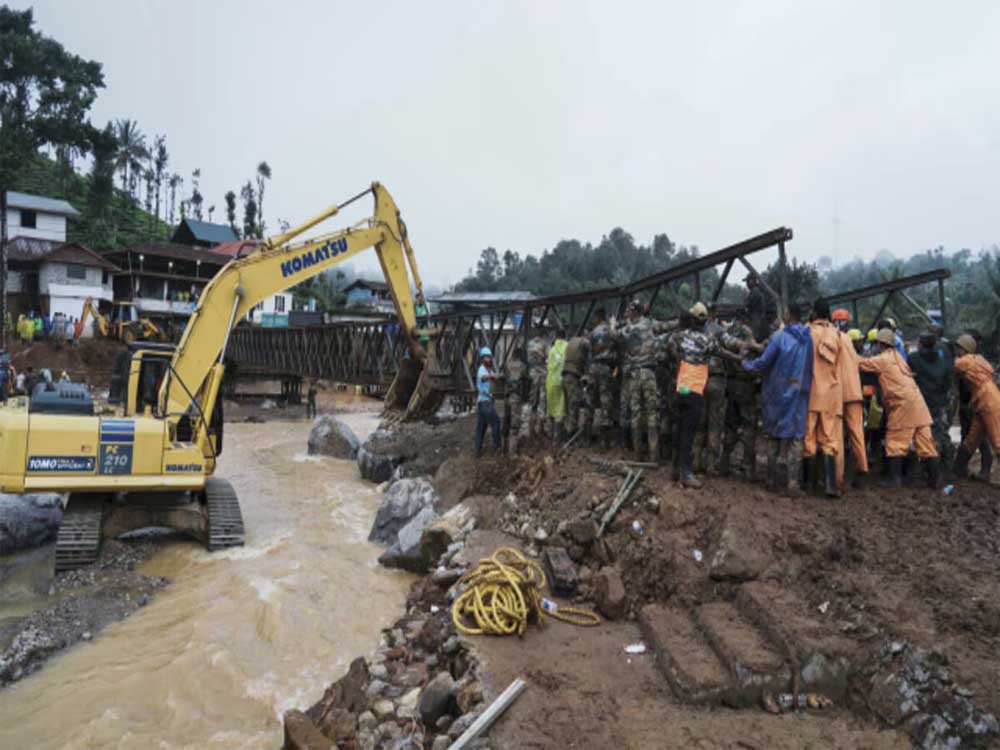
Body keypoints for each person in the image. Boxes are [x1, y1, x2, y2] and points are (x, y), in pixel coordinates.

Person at [742, 302, 813, 496]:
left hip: (776, 394)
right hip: (799, 394)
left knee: (773, 435)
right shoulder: (808, 339)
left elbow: (763, 362)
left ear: (789, 314)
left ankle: (771, 479)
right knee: (796, 439)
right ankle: (792, 483)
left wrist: (746, 365)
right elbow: (810, 368)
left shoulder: (778, 337)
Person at [858, 328, 941, 488]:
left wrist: (848, 351)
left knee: (895, 441)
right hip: (919, 405)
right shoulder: (899, 358)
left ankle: (894, 480)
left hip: (902, 405)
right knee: (926, 444)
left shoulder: (882, 359)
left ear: (880, 344)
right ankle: (935, 480)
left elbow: (861, 364)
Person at [668, 302, 725, 488]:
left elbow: (670, 347)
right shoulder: (708, 340)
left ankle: (675, 468)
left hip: (681, 388)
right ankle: (687, 473)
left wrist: (679, 357)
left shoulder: (680, 336)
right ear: (705, 320)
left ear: (692, 319)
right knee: (688, 432)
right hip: (695, 391)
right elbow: (721, 352)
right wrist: (740, 359)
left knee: (679, 426)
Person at [617, 300, 668, 462]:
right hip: (649, 373)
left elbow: (613, 336)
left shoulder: (627, 329)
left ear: (633, 312)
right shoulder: (650, 324)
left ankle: (638, 453)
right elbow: (668, 326)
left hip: (634, 375)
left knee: (636, 413)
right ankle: (654, 454)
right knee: (652, 412)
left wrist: (612, 325)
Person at [804, 299, 846, 498]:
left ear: (814, 313)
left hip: (811, 391)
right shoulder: (836, 335)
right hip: (830, 392)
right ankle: (830, 484)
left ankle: (808, 483)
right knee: (829, 438)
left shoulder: (807, 331)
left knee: (808, 435)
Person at [720, 308, 762, 481]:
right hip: (745, 385)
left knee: (730, 424)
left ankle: (724, 463)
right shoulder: (747, 332)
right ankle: (749, 469)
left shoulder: (727, 332)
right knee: (748, 426)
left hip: (730, 384)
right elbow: (757, 352)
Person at [952, 334, 1000, 478]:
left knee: (998, 440)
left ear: (965, 349)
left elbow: (950, 367)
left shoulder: (965, 361)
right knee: (972, 439)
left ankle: (959, 470)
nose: (955, 350)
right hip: (984, 400)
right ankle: (958, 470)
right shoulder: (979, 360)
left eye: (958, 347)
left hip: (989, 402)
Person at [908, 331, 955, 467]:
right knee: (939, 432)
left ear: (921, 344)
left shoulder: (914, 358)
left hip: (920, 402)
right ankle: (943, 465)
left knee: (919, 433)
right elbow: (948, 382)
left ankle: (923, 465)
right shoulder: (941, 360)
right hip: (938, 402)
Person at [693, 304, 728, 475]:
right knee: (714, 422)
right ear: (715, 313)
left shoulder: (695, 332)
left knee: (699, 421)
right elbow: (731, 345)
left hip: (699, 379)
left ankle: (695, 460)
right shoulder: (720, 331)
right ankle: (711, 465)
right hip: (716, 380)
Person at [836, 325, 868, 490]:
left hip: (839, 396)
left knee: (838, 436)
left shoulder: (836, 345)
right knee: (857, 434)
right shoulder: (854, 355)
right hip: (855, 395)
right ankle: (862, 469)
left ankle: (838, 476)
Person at [584, 307, 617, 448]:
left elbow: (588, 350)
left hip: (593, 368)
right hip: (605, 368)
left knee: (590, 401)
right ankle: (605, 441)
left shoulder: (592, 333)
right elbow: (618, 342)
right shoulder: (610, 330)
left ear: (598, 317)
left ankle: (586, 438)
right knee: (605, 402)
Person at [561, 329, 590, 441]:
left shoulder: (571, 341)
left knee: (568, 407)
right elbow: (588, 346)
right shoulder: (583, 341)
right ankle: (571, 437)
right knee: (574, 406)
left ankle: (566, 433)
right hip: (573, 377)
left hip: (566, 376)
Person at [474, 346, 502, 457]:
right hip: (485, 402)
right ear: (482, 359)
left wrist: (497, 377)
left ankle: (477, 451)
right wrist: (491, 377)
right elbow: (483, 378)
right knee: (496, 422)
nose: (489, 359)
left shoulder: (489, 370)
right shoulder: (482, 370)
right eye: (486, 357)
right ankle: (497, 449)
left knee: (481, 427)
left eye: (489, 357)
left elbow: (494, 377)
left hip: (484, 402)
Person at [524, 327, 549, 441]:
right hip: (542, 374)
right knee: (542, 402)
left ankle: (531, 430)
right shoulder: (544, 344)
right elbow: (547, 358)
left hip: (532, 374)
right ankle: (541, 429)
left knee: (532, 402)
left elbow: (528, 360)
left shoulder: (529, 344)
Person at [504, 346, 528, 455]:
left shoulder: (507, 364)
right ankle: (512, 453)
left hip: (507, 397)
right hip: (516, 397)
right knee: (515, 426)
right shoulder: (522, 366)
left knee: (506, 422)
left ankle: (504, 449)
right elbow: (526, 378)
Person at [546, 328, 568, 442]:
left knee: (551, 409)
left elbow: (548, 365)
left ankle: (550, 436)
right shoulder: (567, 347)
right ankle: (558, 438)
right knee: (561, 409)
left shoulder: (552, 349)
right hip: (562, 381)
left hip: (550, 381)